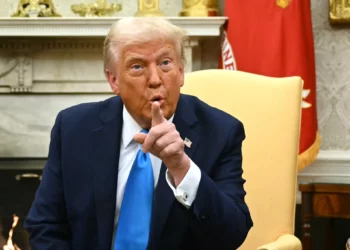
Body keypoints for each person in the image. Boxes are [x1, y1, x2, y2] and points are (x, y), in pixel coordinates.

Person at [24, 17, 253, 250]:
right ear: (113, 80)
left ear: (182, 72)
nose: (155, 80)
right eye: (137, 66)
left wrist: (181, 168)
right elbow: (45, 226)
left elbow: (232, 235)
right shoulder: (74, 128)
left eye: (165, 63)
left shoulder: (220, 131)